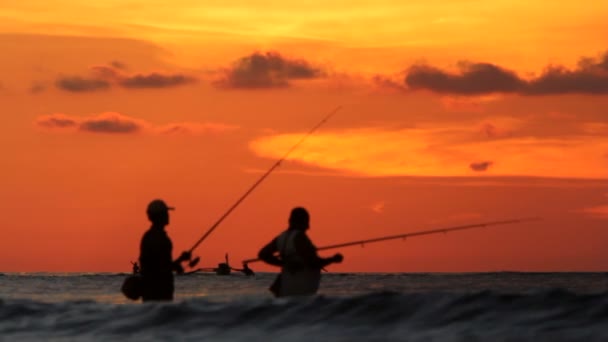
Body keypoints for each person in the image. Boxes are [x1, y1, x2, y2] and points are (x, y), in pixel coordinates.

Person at [258, 207, 343, 297]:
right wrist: (333, 259)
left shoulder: (281, 238)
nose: (308, 226)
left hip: (286, 288)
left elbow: (263, 254)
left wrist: (285, 264)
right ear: (302, 221)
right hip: (301, 291)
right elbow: (313, 263)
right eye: (306, 221)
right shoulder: (300, 237)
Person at [139, 199, 191, 302]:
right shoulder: (157, 238)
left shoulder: (150, 236)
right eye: (166, 213)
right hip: (158, 293)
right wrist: (180, 260)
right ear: (160, 216)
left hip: (153, 293)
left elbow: (158, 265)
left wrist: (178, 262)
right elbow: (159, 267)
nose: (168, 215)